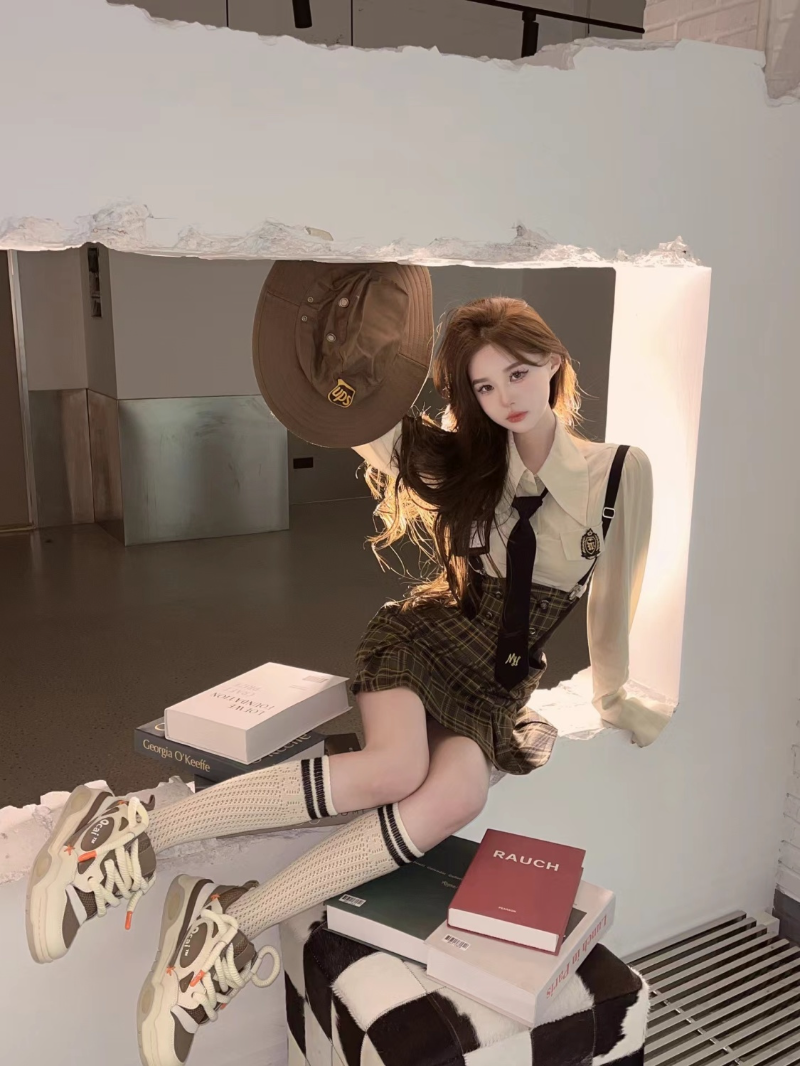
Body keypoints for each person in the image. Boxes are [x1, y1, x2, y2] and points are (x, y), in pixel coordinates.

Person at [24, 294, 672, 1066]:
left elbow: (614, 599)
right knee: (394, 768)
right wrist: (338, 353)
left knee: (458, 795)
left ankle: (229, 924)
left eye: (518, 373)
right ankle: (127, 833)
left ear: (554, 362)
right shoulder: (466, 459)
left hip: (492, 687)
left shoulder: (619, 473)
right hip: (424, 641)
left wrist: (615, 694)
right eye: (484, 386)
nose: (504, 398)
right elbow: (358, 420)